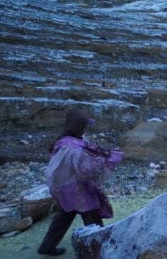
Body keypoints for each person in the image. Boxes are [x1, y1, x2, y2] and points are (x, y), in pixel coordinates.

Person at [37, 109, 123, 256]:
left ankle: (47, 246)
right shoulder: (74, 147)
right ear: (78, 126)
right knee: (93, 218)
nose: (85, 128)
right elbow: (86, 169)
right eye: (83, 125)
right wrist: (107, 159)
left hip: (61, 188)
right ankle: (98, 251)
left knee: (64, 216)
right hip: (75, 189)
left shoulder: (62, 141)